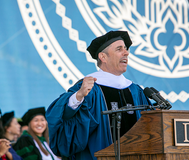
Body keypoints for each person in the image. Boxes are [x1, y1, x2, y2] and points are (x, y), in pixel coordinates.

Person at [45, 30, 153, 160]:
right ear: (103, 57)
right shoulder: (88, 88)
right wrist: (79, 96)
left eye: (125, 49)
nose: (126, 53)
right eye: (119, 49)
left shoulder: (135, 90)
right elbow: (64, 116)